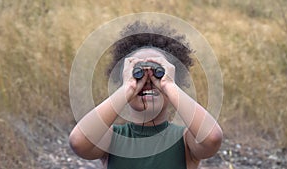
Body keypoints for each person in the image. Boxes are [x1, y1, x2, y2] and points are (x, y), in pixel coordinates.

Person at [69, 21, 223, 169]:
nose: (147, 80)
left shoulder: (184, 140)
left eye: (158, 72)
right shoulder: (111, 138)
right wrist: (128, 87)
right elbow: (78, 142)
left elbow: (212, 138)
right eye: (138, 72)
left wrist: (167, 84)